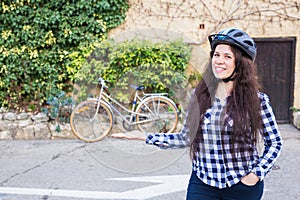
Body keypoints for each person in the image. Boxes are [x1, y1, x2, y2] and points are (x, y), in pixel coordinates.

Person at [112, 28, 283, 200]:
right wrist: (144, 136)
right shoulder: (199, 96)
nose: (219, 61)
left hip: (241, 185)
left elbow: (274, 143)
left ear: (240, 64)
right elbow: (186, 138)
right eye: (216, 55)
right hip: (203, 183)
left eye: (227, 56)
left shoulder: (257, 101)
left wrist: (256, 174)